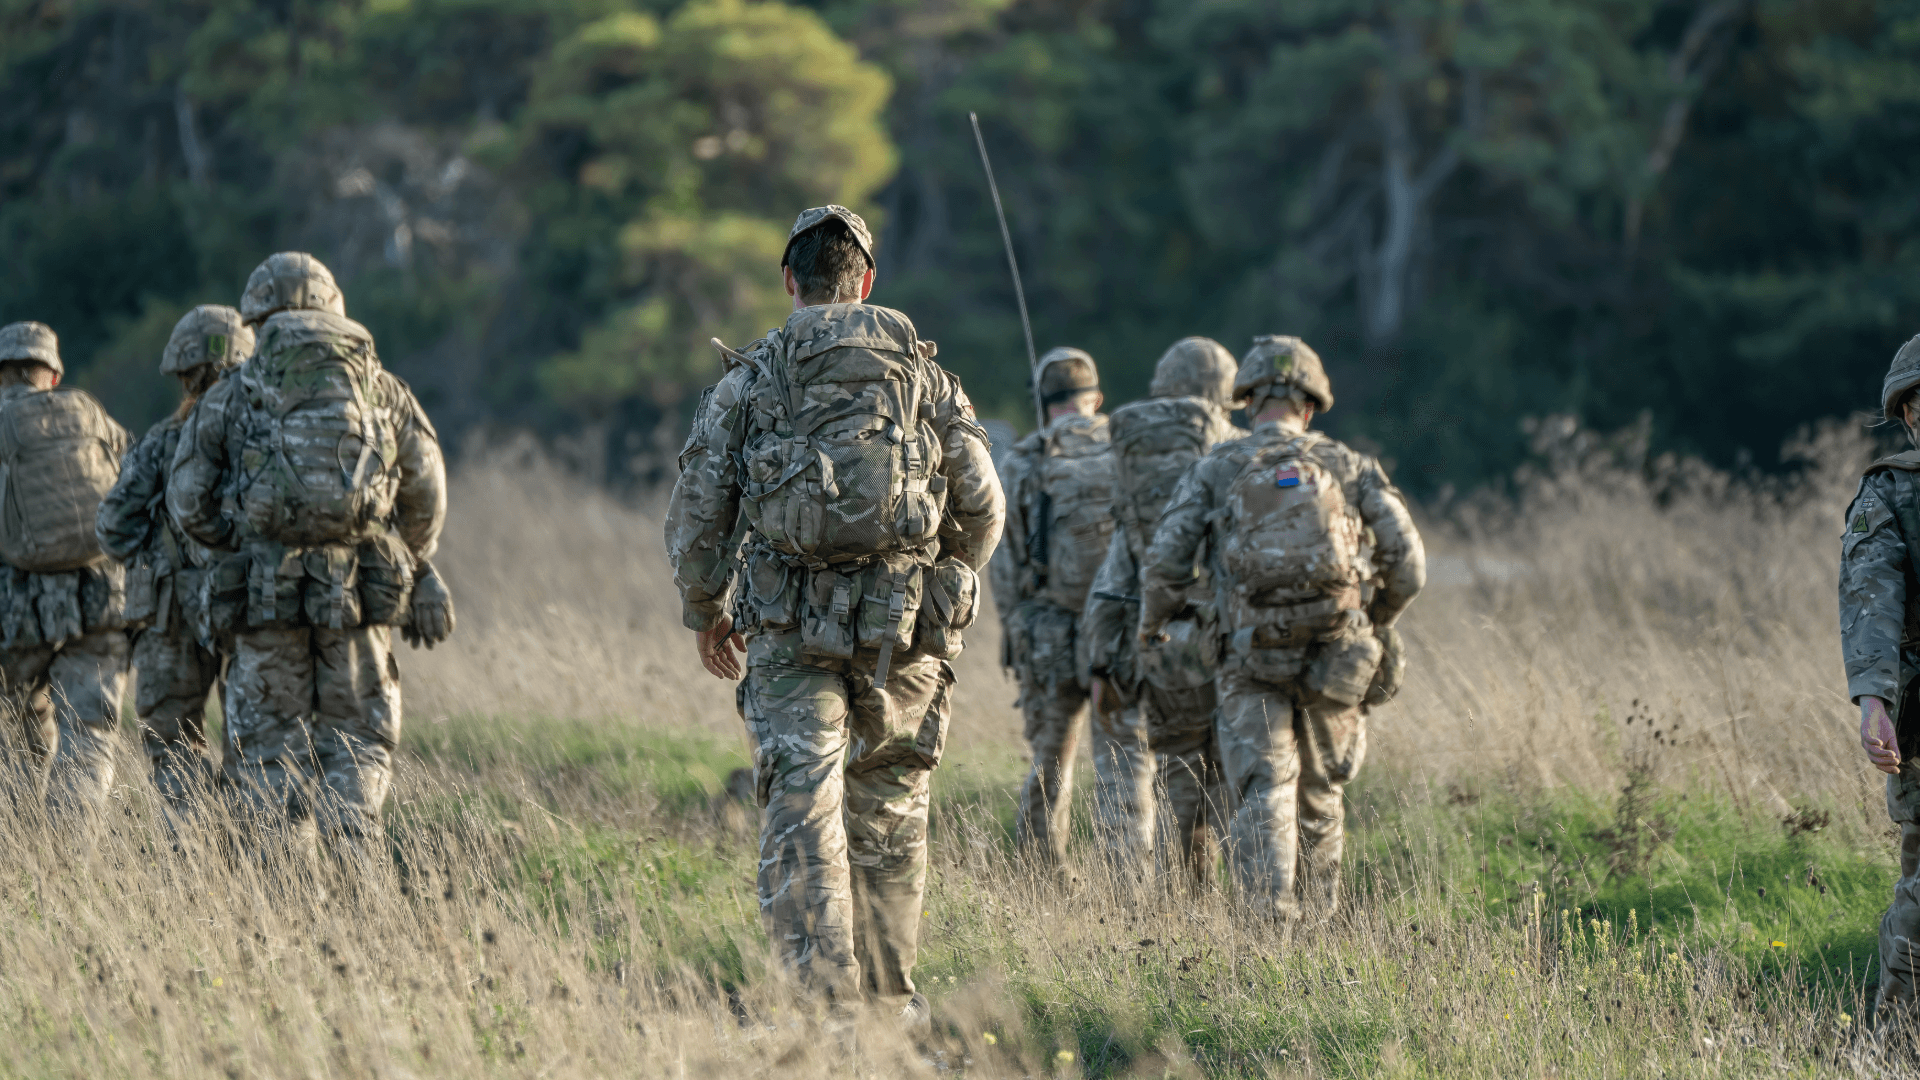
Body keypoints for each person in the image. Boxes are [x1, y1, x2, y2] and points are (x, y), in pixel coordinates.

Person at [665, 205, 1003, 1023]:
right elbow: (984, 506)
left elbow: (699, 516)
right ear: (867, 280)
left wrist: (707, 609)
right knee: (889, 806)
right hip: (903, 632)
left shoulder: (751, 377)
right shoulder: (925, 377)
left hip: (785, 636)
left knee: (800, 804)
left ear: (790, 281)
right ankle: (892, 1004)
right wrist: (946, 575)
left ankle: (820, 1005)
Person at [167, 252, 453, 851]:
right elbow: (427, 488)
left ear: (256, 318)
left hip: (264, 600)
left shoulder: (236, 390)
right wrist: (408, 557)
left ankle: (278, 916)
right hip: (360, 602)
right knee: (357, 747)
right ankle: (359, 892)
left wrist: (242, 543)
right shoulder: (381, 385)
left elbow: (188, 498)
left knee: (269, 763)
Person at [1138, 336, 1423, 920]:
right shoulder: (1348, 466)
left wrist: (1154, 625)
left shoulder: (1218, 467)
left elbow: (1166, 561)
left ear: (1246, 403)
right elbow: (1410, 565)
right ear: (1311, 406)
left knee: (1264, 787)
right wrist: (1377, 619)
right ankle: (1319, 930)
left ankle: (1270, 930)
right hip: (1336, 653)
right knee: (1321, 793)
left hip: (1249, 658)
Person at [1082, 336, 1244, 883]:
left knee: (1133, 769)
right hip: (1208, 642)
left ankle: (1128, 900)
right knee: (1214, 773)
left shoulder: (1128, 456)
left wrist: (1102, 658)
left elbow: (1116, 566)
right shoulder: (1236, 454)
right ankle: (1209, 893)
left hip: (1135, 635)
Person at [97, 306, 252, 810]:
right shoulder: (266, 436)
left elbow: (112, 525)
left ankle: (191, 864)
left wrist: (156, 552)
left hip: (172, 610)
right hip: (251, 604)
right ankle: (251, 861)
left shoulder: (166, 438)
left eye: (187, 374)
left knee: (173, 748)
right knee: (253, 748)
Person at [989, 348, 1133, 865]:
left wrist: (1017, 630)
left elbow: (1004, 563)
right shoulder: (1127, 450)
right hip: (1117, 633)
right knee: (1123, 763)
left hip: (1049, 632)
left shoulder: (1026, 459)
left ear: (1043, 404)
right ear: (1096, 398)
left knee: (1050, 764)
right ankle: (1129, 886)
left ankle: (1041, 875)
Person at [0, 321, 132, 811]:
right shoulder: (91, 415)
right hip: (99, 600)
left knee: (12, 731)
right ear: (53, 375)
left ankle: (17, 853)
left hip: (15, 607)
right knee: (91, 736)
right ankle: (69, 860)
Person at [1840, 333, 1920, 1017]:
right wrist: (1874, 702)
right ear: (1910, 415)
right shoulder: (1892, 495)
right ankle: (1894, 1041)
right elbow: (1873, 603)